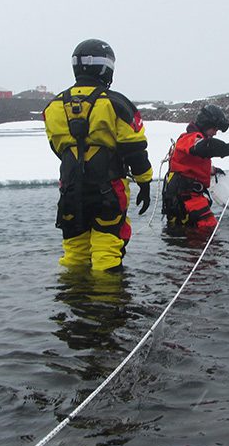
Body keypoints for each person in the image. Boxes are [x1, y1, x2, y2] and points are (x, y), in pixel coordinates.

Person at [43, 39, 153, 272]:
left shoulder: (53, 106)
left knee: (74, 251)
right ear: (107, 68)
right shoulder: (116, 103)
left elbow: (57, 147)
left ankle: (74, 301)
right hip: (108, 189)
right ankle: (108, 303)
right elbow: (135, 149)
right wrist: (144, 183)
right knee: (107, 249)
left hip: (71, 188)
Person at [162, 104, 229, 229]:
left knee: (192, 232)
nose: (215, 133)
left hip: (190, 197)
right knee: (207, 229)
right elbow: (207, 147)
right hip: (187, 198)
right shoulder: (190, 139)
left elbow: (190, 165)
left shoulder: (196, 141)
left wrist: (212, 171)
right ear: (205, 124)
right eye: (214, 129)